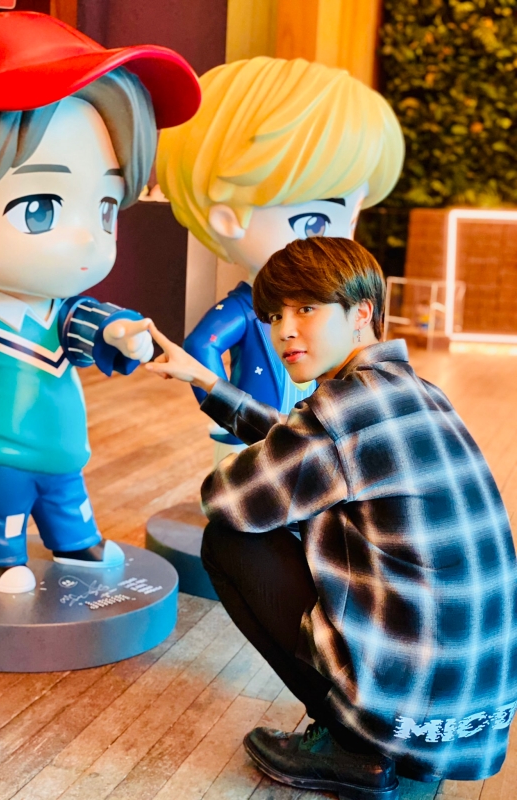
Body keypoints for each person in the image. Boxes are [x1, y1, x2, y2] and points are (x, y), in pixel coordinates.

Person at [145, 236, 517, 798]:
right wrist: (207, 382)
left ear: (361, 312)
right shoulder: (415, 391)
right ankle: (380, 749)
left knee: (230, 541)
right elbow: (312, 449)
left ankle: (351, 747)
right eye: (275, 315)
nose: (285, 330)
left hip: (401, 705)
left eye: (307, 308)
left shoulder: (341, 408)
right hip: (466, 705)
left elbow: (227, 497)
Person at [0, 12, 200, 594]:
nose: (87, 238)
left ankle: (75, 543)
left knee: (69, 501)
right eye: (40, 208)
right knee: (3, 509)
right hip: (0, 451)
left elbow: (90, 325)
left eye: (105, 208)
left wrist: (122, 333)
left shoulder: (61, 314)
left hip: (65, 449)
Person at [157, 57, 404, 463]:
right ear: (227, 219)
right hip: (252, 433)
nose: (338, 240)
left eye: (350, 220)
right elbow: (202, 344)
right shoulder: (244, 306)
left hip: (318, 428)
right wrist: (224, 415)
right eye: (314, 222)